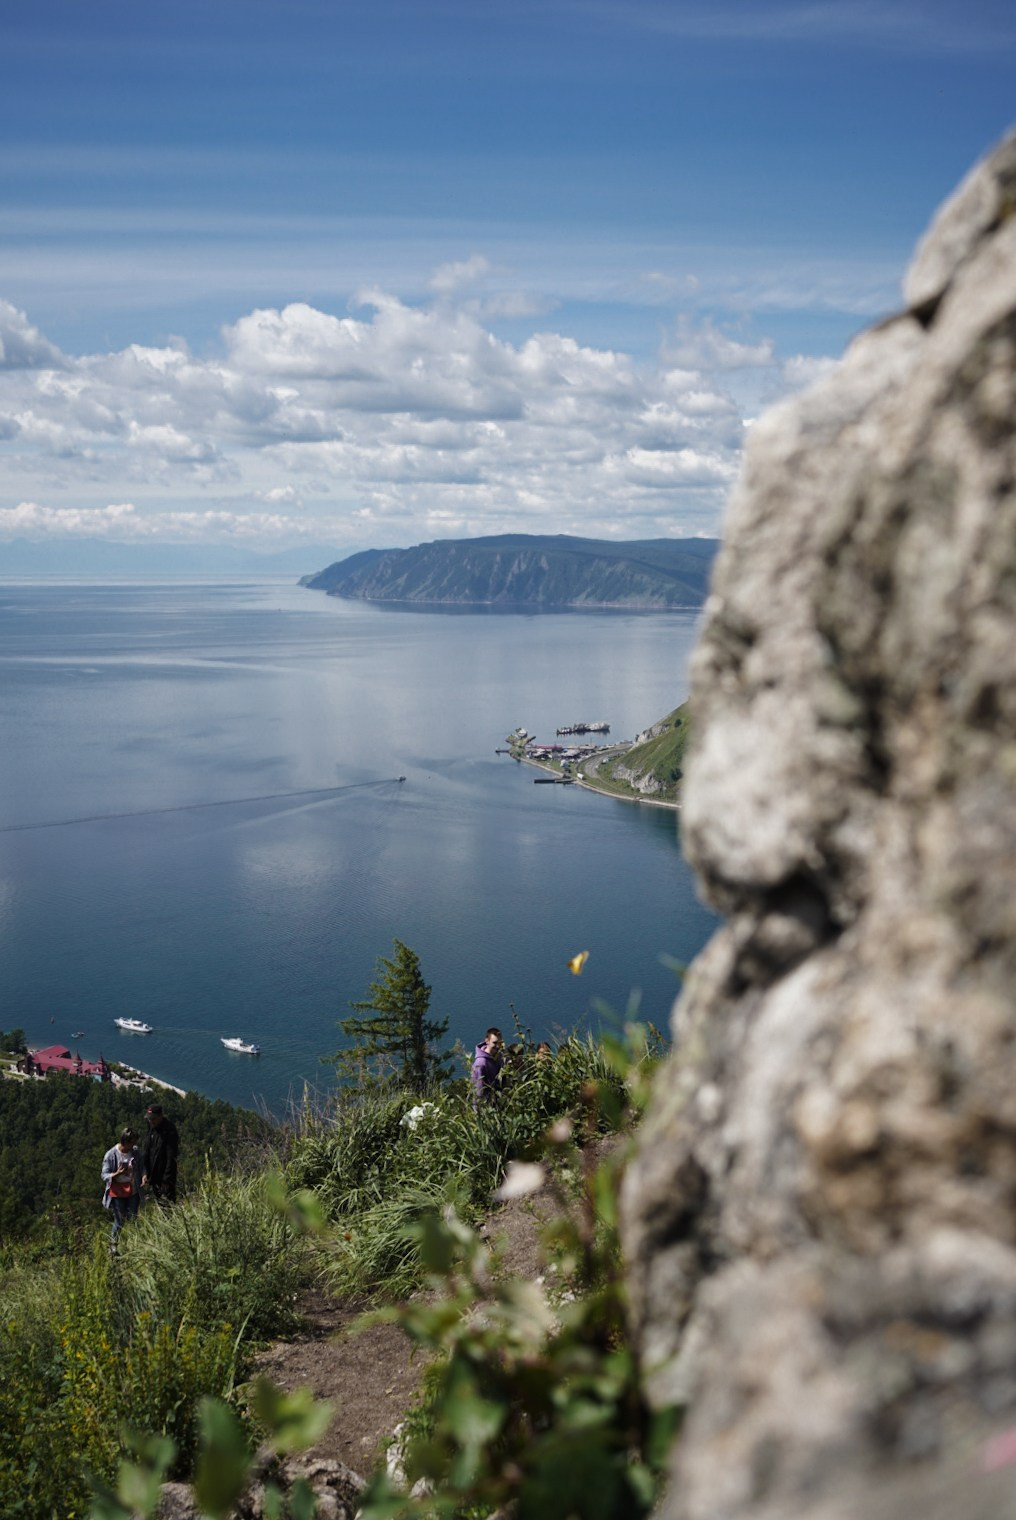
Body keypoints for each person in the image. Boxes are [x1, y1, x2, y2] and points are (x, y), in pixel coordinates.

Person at [101, 1126, 143, 1251]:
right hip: (117, 1193)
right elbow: (104, 1175)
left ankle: (135, 1246)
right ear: (125, 1142)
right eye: (132, 1142)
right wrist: (116, 1174)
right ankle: (113, 1248)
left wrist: (144, 1176)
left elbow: (141, 1166)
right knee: (119, 1221)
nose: (134, 1145)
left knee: (133, 1219)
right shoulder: (111, 1155)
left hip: (133, 1190)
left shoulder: (135, 1151)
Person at [142, 1102, 180, 1204]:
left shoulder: (169, 1131)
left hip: (164, 1177)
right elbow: (147, 1150)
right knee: (159, 1201)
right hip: (153, 1174)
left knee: (167, 1204)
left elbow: (171, 1157)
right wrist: (145, 1172)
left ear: (160, 1116)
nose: (151, 1120)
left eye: (153, 1118)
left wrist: (166, 1180)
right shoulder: (151, 1127)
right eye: (149, 1118)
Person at [471, 1027, 504, 1105]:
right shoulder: (481, 1063)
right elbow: (479, 1092)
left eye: (500, 1043)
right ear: (487, 1041)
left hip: (498, 1105)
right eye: (495, 1043)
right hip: (486, 1109)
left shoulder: (499, 1057)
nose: (498, 1046)